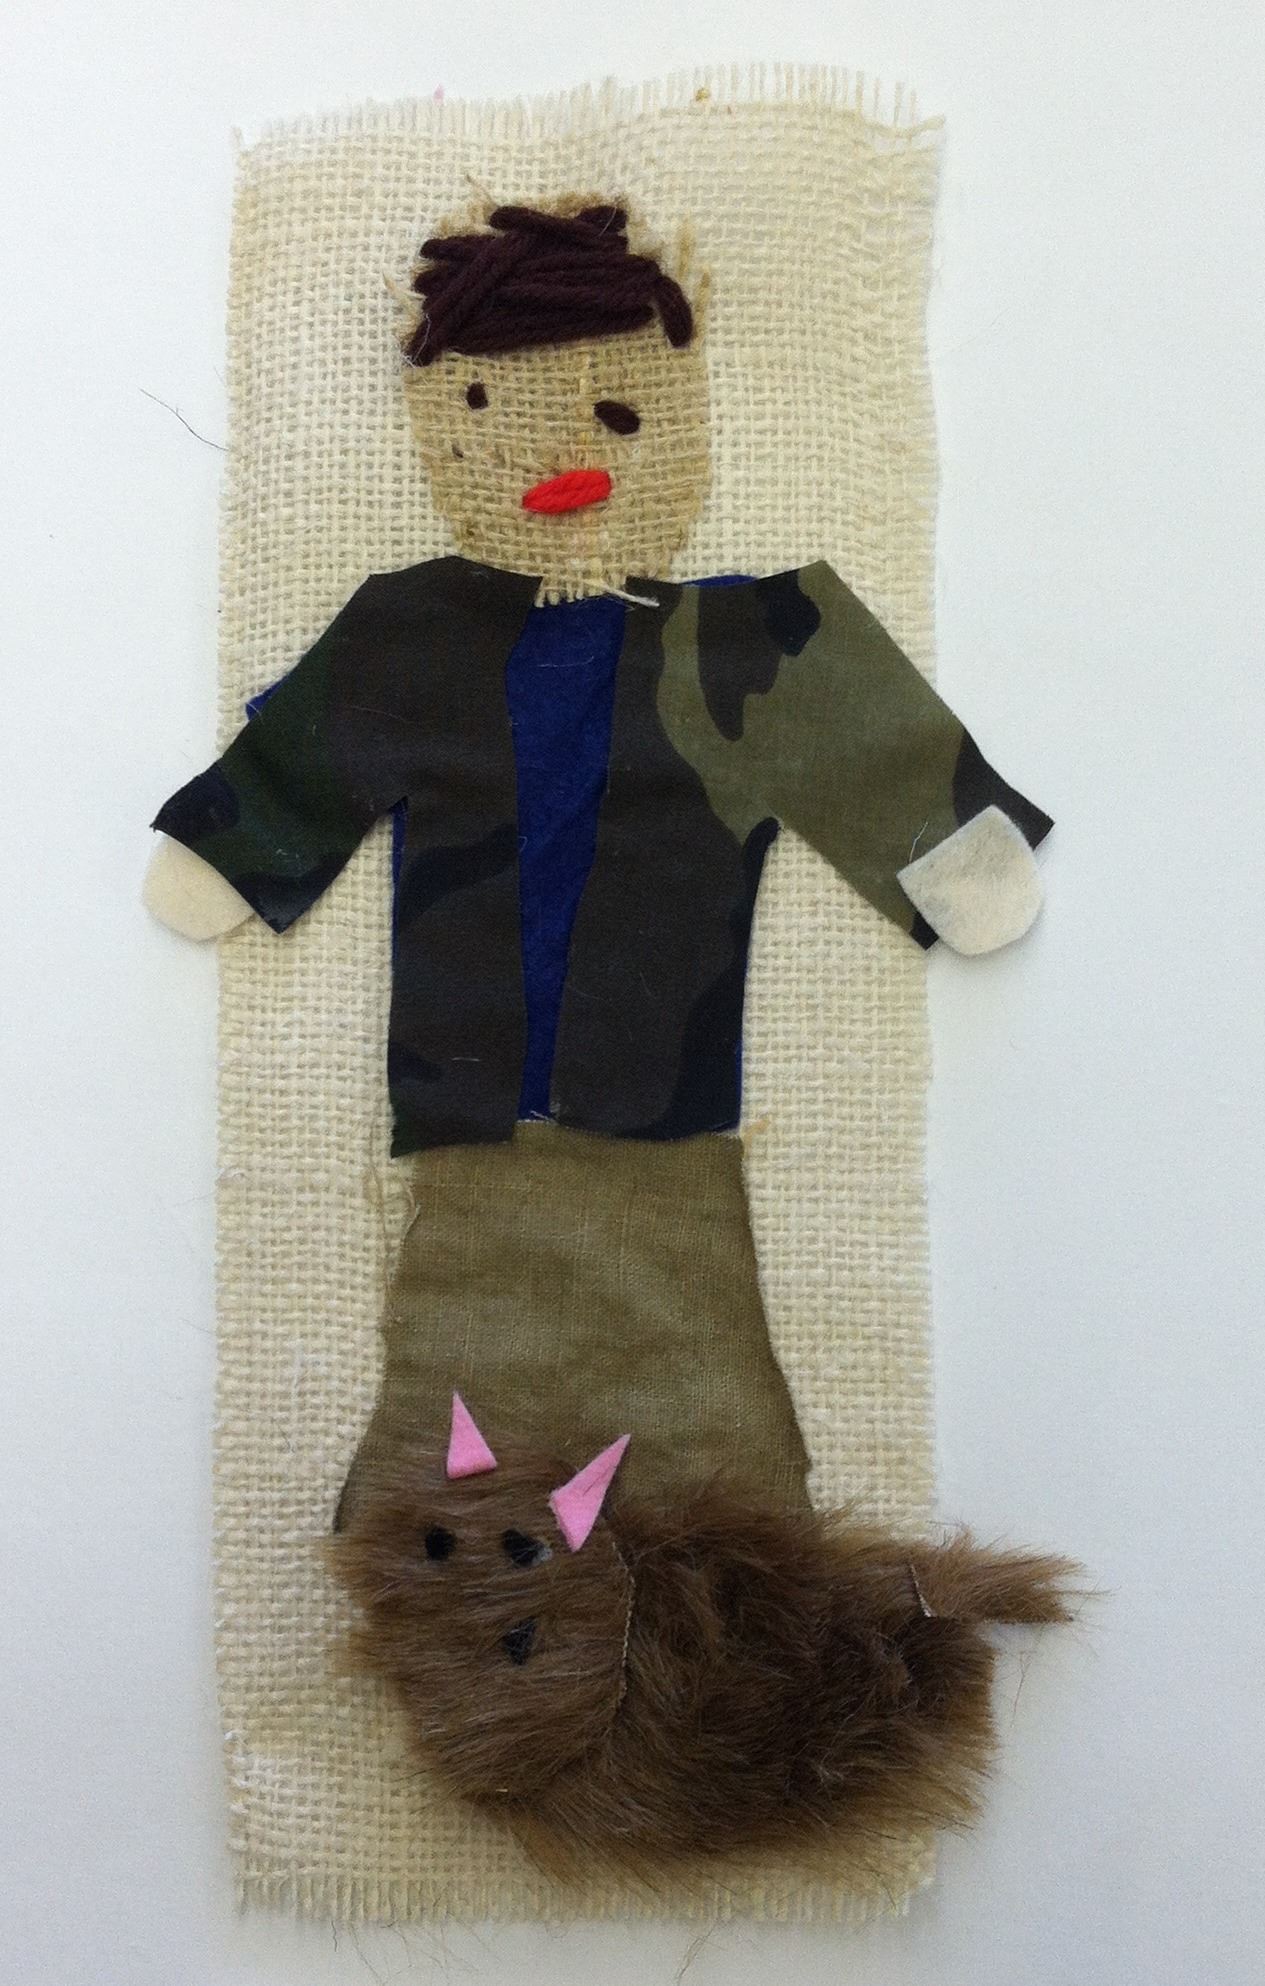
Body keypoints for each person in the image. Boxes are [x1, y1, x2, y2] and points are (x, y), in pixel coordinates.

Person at [145, 199, 1051, 1515]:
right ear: (440, 425)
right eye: (493, 415)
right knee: (461, 1372)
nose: (562, 459)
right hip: (468, 1111)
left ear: (678, 413)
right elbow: (306, 760)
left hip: (666, 1107)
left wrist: (950, 847)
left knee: (694, 1379)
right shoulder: (411, 630)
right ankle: (466, 1572)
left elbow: (857, 733)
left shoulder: (750, 639)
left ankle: (715, 1566)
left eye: (617, 415)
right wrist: (237, 841)